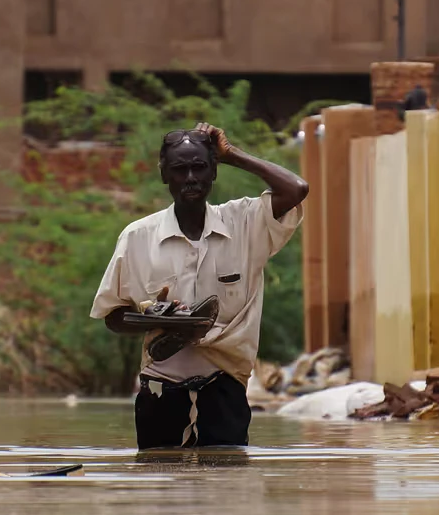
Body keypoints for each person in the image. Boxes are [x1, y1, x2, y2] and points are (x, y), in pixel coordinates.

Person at [91, 122, 308, 449]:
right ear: (164, 175)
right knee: (159, 483)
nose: (190, 178)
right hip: (160, 387)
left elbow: (296, 189)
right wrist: (160, 321)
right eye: (180, 169)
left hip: (226, 384)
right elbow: (112, 316)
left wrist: (231, 154)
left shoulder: (245, 223)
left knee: (226, 483)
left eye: (200, 167)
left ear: (213, 172)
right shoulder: (138, 237)